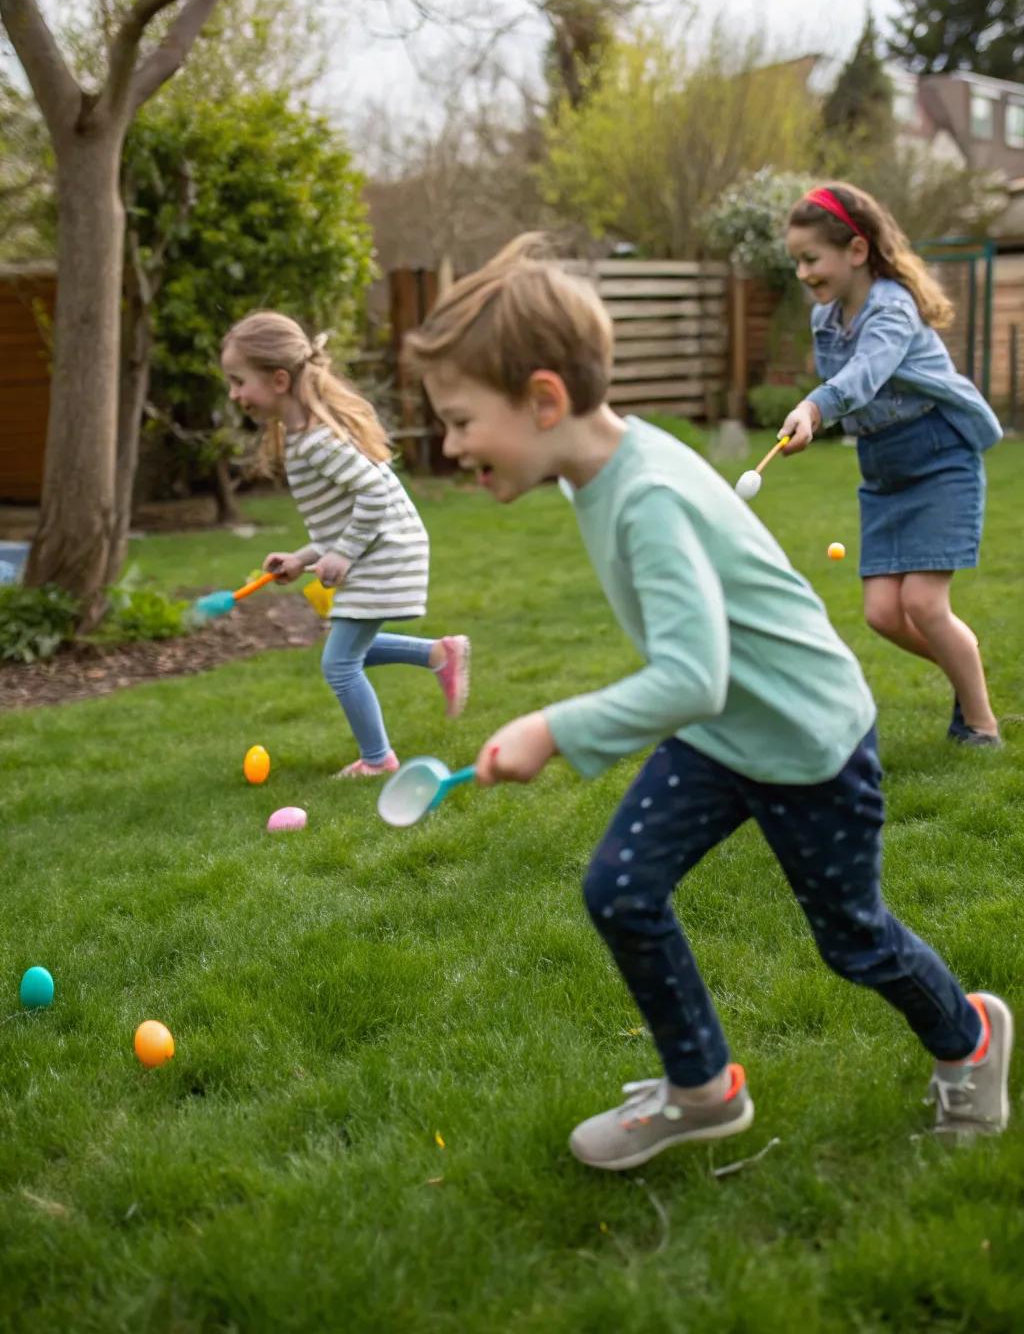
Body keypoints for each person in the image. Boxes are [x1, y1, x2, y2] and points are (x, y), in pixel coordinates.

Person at [402, 238, 1012, 1171]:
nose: (449, 448)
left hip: (806, 739)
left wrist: (551, 727)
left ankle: (969, 1038)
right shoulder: (601, 461)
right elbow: (702, 685)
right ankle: (701, 1089)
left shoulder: (644, 494)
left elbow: (690, 677)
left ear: (544, 400)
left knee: (854, 942)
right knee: (621, 889)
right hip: (726, 731)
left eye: (458, 422)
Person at [779, 183, 1002, 747]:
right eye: (796, 262)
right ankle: (965, 670)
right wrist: (815, 414)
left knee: (924, 603)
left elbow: (863, 376)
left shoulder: (893, 307)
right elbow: (849, 387)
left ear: (856, 250)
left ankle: (981, 725)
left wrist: (814, 407)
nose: (803, 273)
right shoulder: (825, 318)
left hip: (939, 457)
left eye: (811, 258)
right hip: (883, 470)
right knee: (883, 612)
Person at [221, 310, 469, 777]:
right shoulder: (300, 437)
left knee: (338, 664)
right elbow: (341, 519)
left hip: (386, 548)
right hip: (382, 544)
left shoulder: (316, 440)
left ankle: (378, 760)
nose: (234, 394)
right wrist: (302, 558)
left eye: (238, 381)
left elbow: (376, 494)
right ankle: (439, 654)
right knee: (348, 651)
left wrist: (344, 553)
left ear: (278, 380)